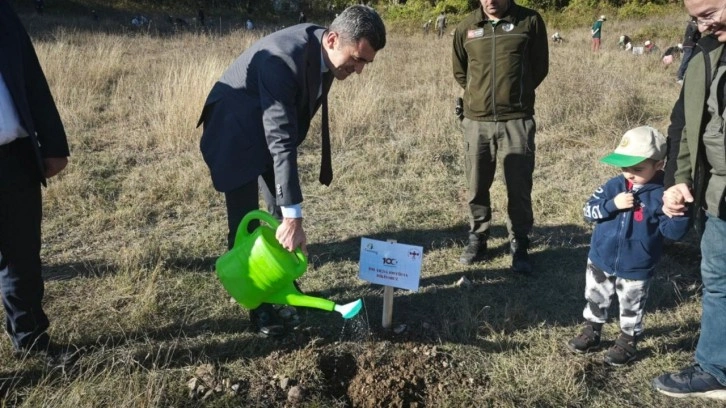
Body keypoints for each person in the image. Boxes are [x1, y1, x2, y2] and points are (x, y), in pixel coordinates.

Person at [198, 5, 386, 337]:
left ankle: (279, 280)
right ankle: (258, 304)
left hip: (268, 133)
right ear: (332, 39)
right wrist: (294, 214)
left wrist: (288, 213)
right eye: (357, 59)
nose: (359, 70)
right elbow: (280, 137)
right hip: (236, 131)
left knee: (278, 214)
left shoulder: (324, 49)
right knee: (246, 222)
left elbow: (287, 127)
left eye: (365, 63)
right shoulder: (281, 59)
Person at [651, 0, 726, 399]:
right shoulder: (704, 55)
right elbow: (683, 122)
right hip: (718, 194)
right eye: (694, 19)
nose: (701, 26)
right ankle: (716, 369)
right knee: (718, 280)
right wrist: (677, 180)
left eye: (710, 13)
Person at [567, 126, 689, 366]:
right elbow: (588, 211)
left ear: (659, 165)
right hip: (601, 257)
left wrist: (679, 212)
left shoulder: (663, 194)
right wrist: (612, 204)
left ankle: (627, 340)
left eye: (638, 169)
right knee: (595, 296)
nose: (629, 175)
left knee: (632, 304)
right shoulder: (614, 186)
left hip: (637, 264)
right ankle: (592, 329)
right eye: (625, 168)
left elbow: (673, 233)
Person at [452, 0, 549, 273]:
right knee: (476, 184)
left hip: (516, 120)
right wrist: (480, 97)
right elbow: (461, 71)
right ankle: (478, 236)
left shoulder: (529, 22)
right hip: (476, 121)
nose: (490, 1)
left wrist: (515, 95)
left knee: (518, 187)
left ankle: (520, 242)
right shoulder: (466, 27)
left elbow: (539, 66)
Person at [0, 2, 70, 356]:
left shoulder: (2, 14)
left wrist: (54, 144)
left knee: (23, 257)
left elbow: (30, 76)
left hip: (14, 156)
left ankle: (30, 341)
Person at [676, 17, 701, 84]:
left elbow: (698, 36)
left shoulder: (695, 25)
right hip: (688, 45)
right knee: (685, 60)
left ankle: (685, 76)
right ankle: (679, 77)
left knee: (691, 61)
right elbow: (693, 32)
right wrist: (698, 26)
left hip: (693, 45)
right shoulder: (692, 24)